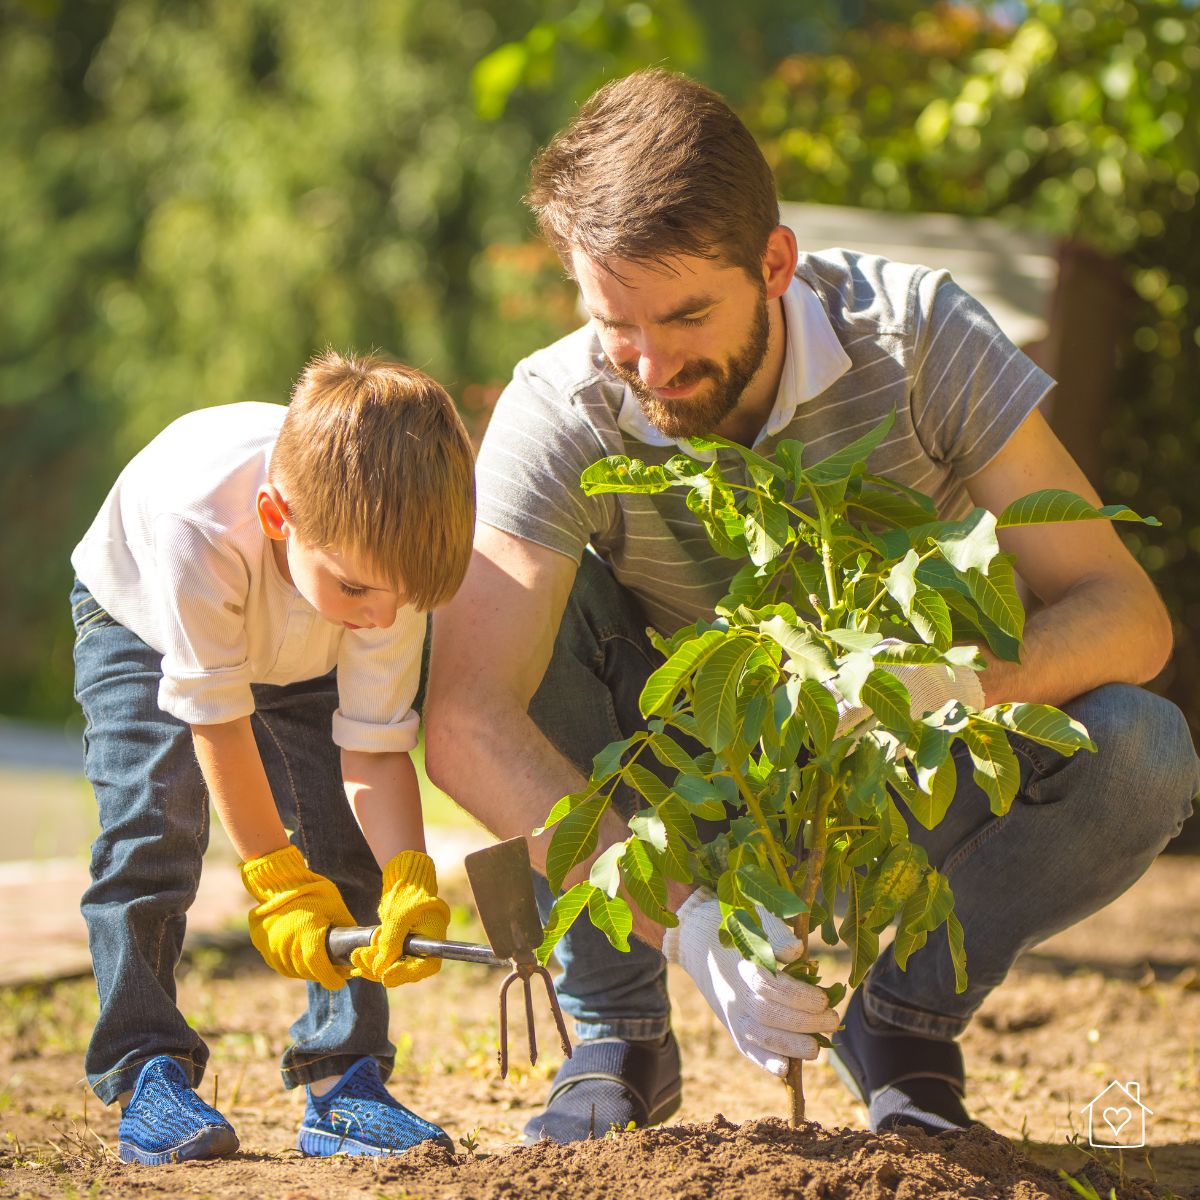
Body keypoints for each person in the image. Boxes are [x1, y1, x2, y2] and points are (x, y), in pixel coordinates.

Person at [424, 68, 1200, 1142]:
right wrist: (687, 921)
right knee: (516, 604)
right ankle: (617, 1031)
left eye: (688, 314)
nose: (652, 366)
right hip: (684, 796)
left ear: (776, 264)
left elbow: (1128, 613)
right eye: (617, 325)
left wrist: (945, 682)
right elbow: (465, 718)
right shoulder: (561, 408)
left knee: (1145, 749)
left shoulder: (917, 339)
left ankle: (903, 1024)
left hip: (898, 775)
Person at [70, 350, 475, 1163]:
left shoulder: (378, 577)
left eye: (401, 599)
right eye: (363, 591)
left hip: (303, 640)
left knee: (345, 838)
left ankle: (344, 1077)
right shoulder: (200, 525)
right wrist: (276, 879)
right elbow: (216, 720)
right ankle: (147, 1066)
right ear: (276, 515)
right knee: (153, 826)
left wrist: (408, 873)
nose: (383, 617)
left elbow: (374, 746)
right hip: (145, 621)